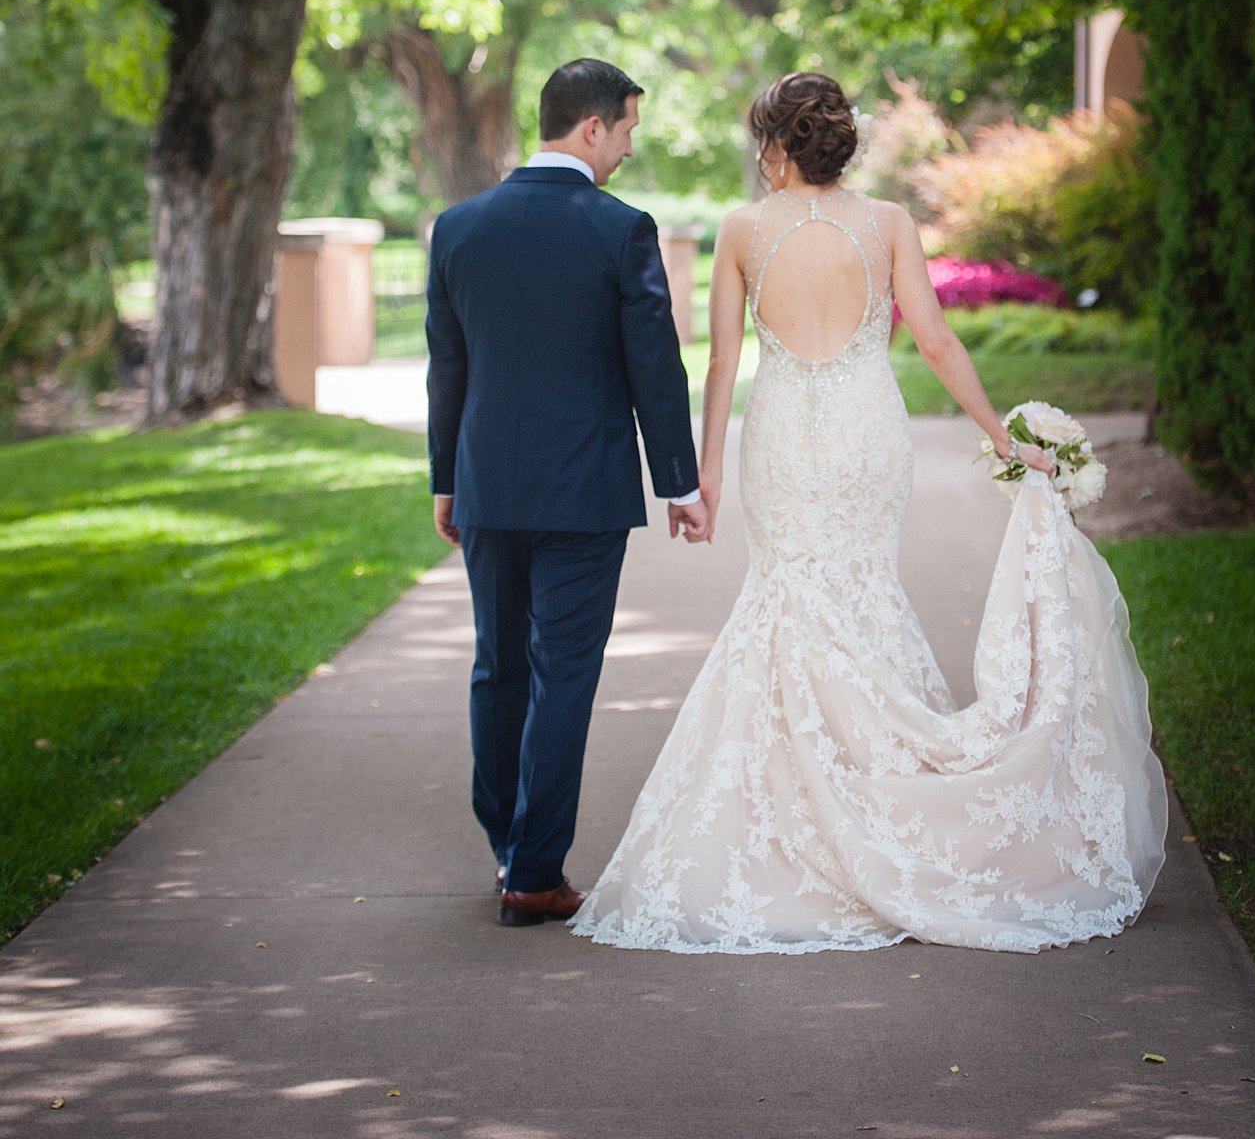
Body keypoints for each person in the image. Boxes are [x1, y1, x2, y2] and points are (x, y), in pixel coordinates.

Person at [572, 71, 1167, 954]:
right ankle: (886, 795)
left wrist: (704, 481)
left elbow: (725, 367)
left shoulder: (744, 229)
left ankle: (800, 824)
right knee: (860, 590)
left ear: (776, 146)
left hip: (782, 430)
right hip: (862, 430)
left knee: (784, 594)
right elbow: (933, 339)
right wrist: (1002, 439)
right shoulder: (885, 222)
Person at [426, 58, 707, 929]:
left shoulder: (457, 228)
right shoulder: (620, 230)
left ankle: (507, 847)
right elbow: (653, 372)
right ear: (591, 128)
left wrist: (445, 480)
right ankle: (534, 872)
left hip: (486, 489)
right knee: (564, 676)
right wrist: (680, 483)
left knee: (497, 667)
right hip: (584, 494)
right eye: (625, 131)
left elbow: (449, 369)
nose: (626, 150)